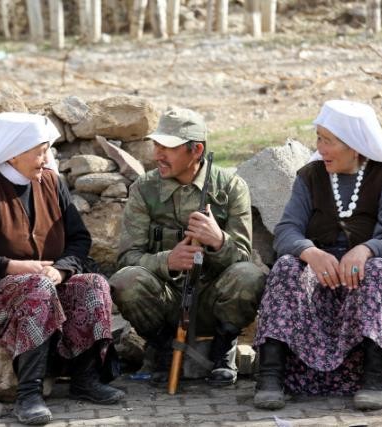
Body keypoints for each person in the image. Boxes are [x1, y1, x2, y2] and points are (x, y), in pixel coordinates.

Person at [0, 112, 125, 425]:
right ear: (13, 153)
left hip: (44, 283)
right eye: (39, 151)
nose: (46, 158)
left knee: (92, 284)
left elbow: (80, 238)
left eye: (47, 150)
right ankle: (29, 393)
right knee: (36, 288)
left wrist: (63, 270)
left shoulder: (52, 183)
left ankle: (85, 378)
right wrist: (12, 267)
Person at [253, 100, 382, 411]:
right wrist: (310, 252)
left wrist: (366, 249)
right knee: (287, 267)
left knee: (379, 271)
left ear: (355, 146)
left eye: (328, 141)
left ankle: (374, 378)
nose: (320, 147)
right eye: (318, 138)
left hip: (369, 276)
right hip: (323, 273)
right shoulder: (310, 177)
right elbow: (287, 231)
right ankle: (271, 376)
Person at [109, 107, 266, 387]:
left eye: (168, 147)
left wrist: (218, 241)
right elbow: (127, 258)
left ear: (196, 151)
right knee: (126, 281)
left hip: (212, 300)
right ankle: (163, 348)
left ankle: (222, 350)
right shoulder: (144, 189)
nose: (158, 154)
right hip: (166, 300)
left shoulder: (230, 187)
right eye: (156, 145)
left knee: (250, 277)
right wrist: (167, 260)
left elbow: (242, 257)